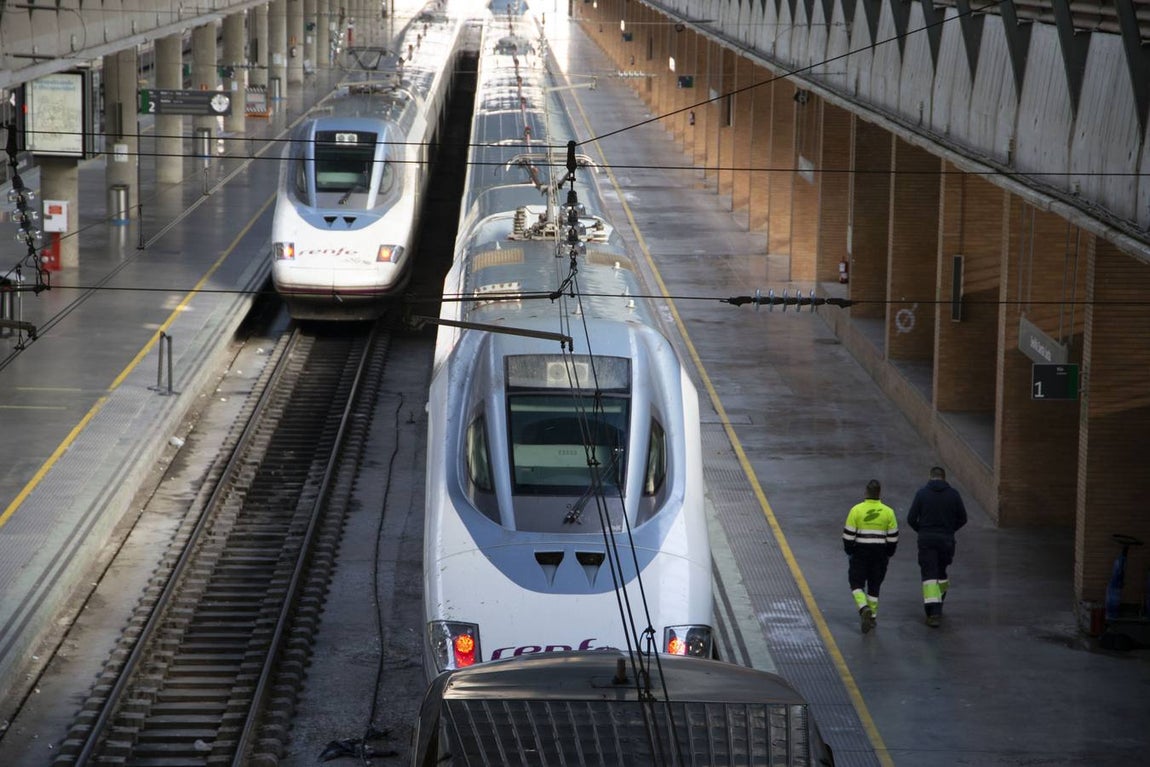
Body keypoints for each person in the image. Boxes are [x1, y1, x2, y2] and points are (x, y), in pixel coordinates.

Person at [907, 466, 968, 627]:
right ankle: (939, 602)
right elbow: (963, 518)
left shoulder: (921, 494)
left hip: (927, 540)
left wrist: (922, 531)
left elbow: (911, 518)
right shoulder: (954, 495)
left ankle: (934, 613)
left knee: (929, 576)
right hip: (946, 541)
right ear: (944, 478)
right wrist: (949, 530)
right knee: (941, 572)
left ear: (930, 477)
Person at [842, 479, 899, 633]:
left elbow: (848, 536)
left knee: (856, 583)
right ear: (879, 493)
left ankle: (863, 608)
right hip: (880, 555)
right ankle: (872, 617)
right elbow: (893, 538)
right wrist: (888, 553)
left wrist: (850, 551)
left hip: (860, 553)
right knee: (875, 586)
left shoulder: (856, 510)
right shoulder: (889, 512)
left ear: (865, 492)